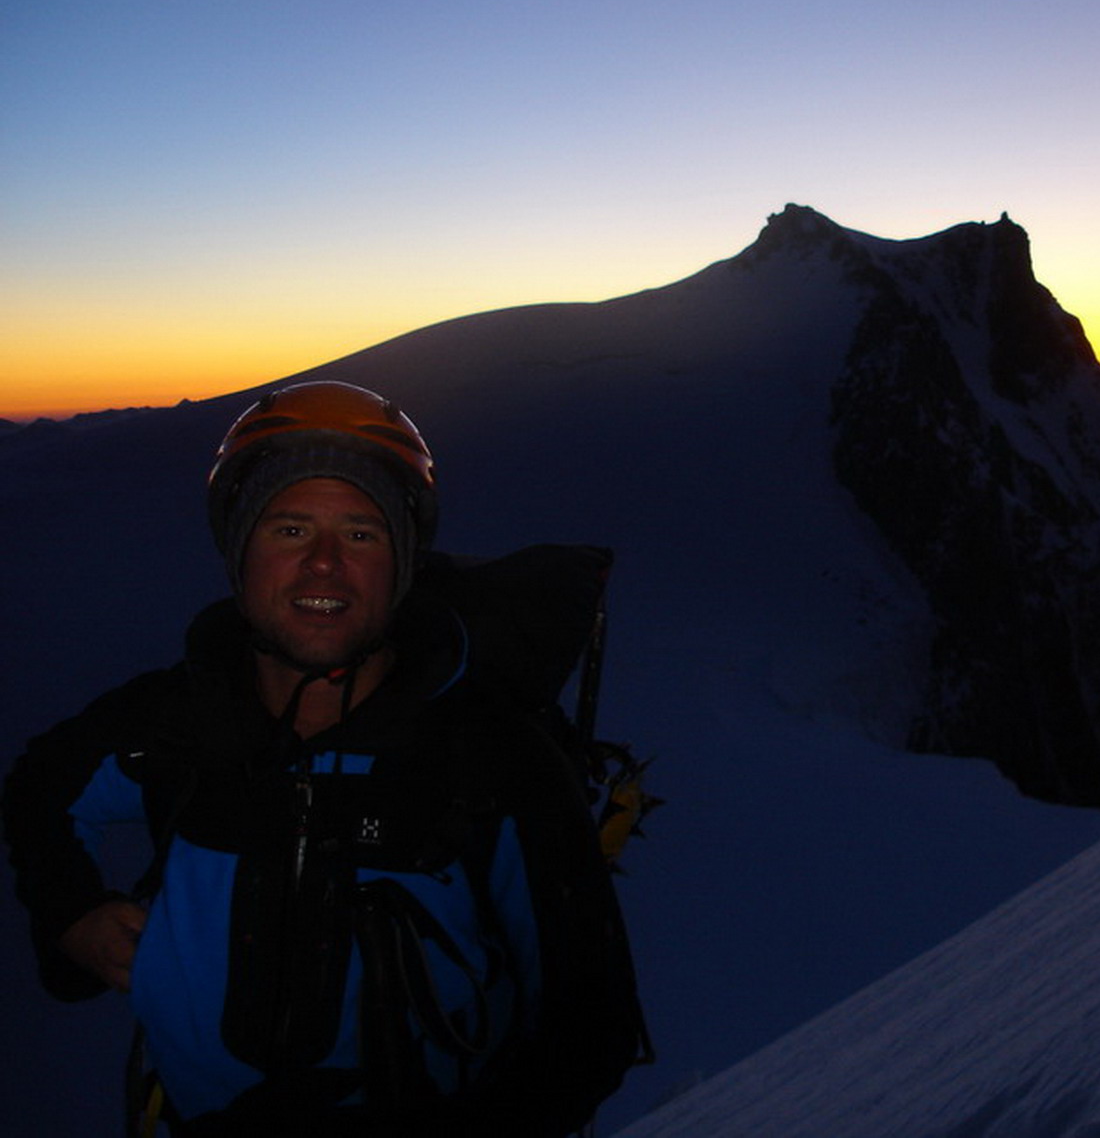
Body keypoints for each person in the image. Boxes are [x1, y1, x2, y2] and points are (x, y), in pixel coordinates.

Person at [3, 381, 648, 1136]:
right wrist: (70, 913)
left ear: (402, 567)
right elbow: (40, 788)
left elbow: (585, 1024)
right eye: (289, 529)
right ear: (239, 551)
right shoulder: (172, 720)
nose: (323, 565)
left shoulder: (488, 757)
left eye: (362, 534)